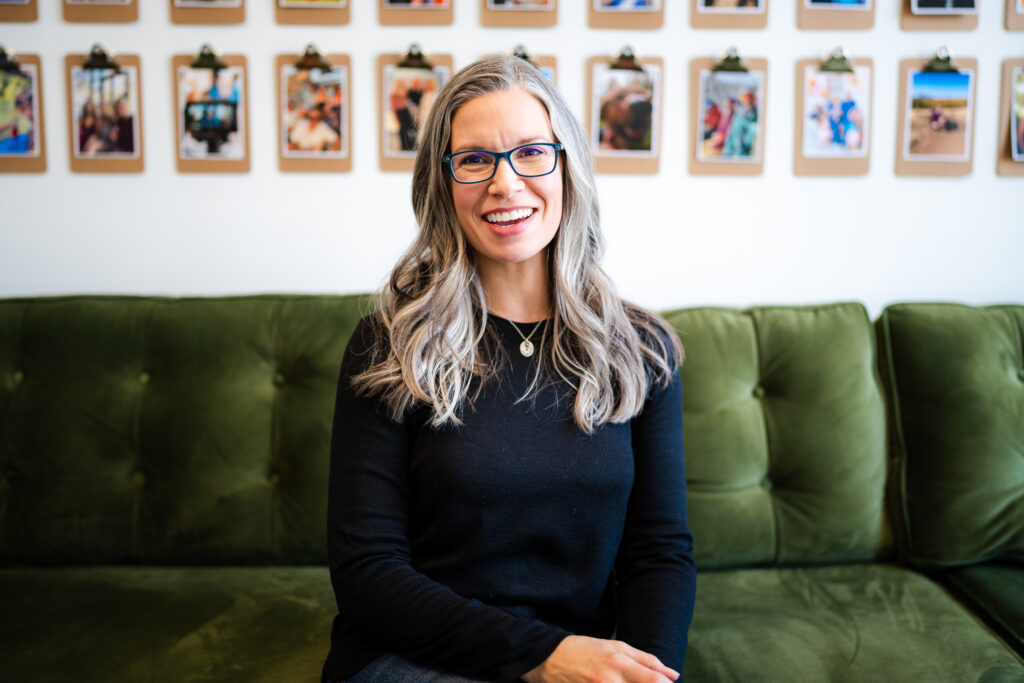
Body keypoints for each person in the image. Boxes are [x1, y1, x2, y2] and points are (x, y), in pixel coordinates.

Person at [322, 54, 696, 683]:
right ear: (443, 184)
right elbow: (368, 572)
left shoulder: (643, 350)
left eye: (530, 152)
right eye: (474, 159)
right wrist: (544, 656)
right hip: (415, 657)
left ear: (566, 166)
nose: (505, 183)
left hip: (581, 663)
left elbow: (659, 553)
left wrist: (644, 672)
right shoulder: (389, 344)